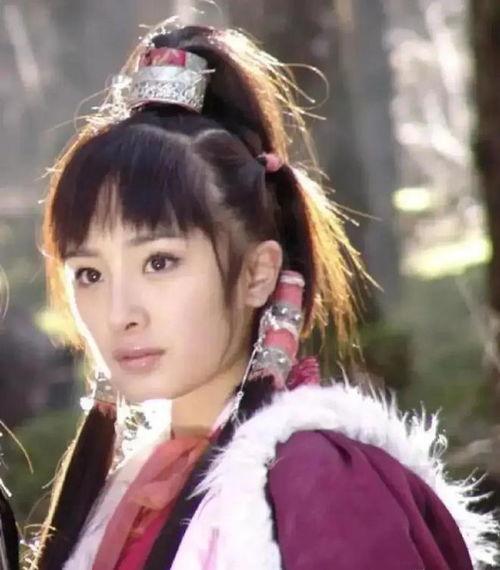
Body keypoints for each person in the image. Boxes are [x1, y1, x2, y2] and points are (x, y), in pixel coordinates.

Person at [24, 21, 498, 570]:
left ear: (257, 273)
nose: (119, 314)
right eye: (89, 273)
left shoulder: (321, 484)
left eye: (159, 263)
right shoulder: (125, 495)